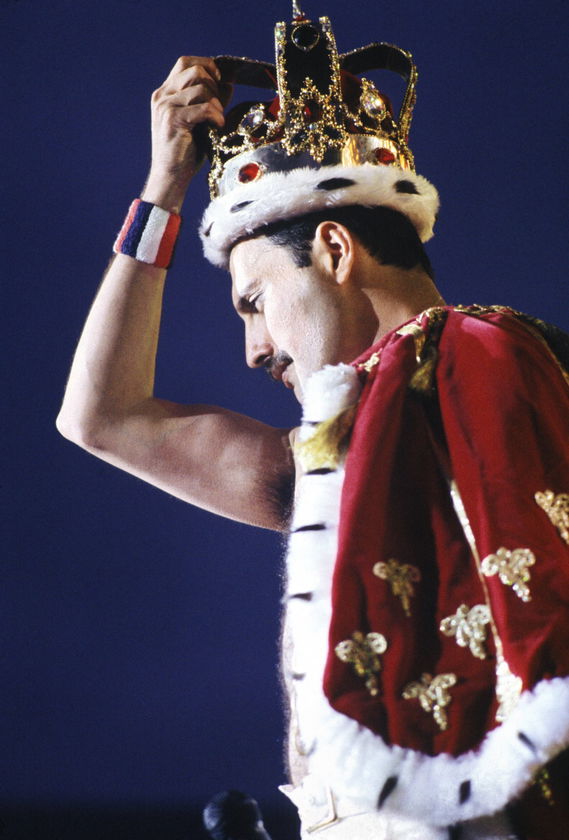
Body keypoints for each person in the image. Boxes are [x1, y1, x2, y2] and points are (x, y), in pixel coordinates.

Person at [57, 10, 569, 840]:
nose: (253, 350)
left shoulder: (480, 351)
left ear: (333, 248)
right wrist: (161, 192)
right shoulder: (353, 444)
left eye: (253, 304)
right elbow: (103, 419)